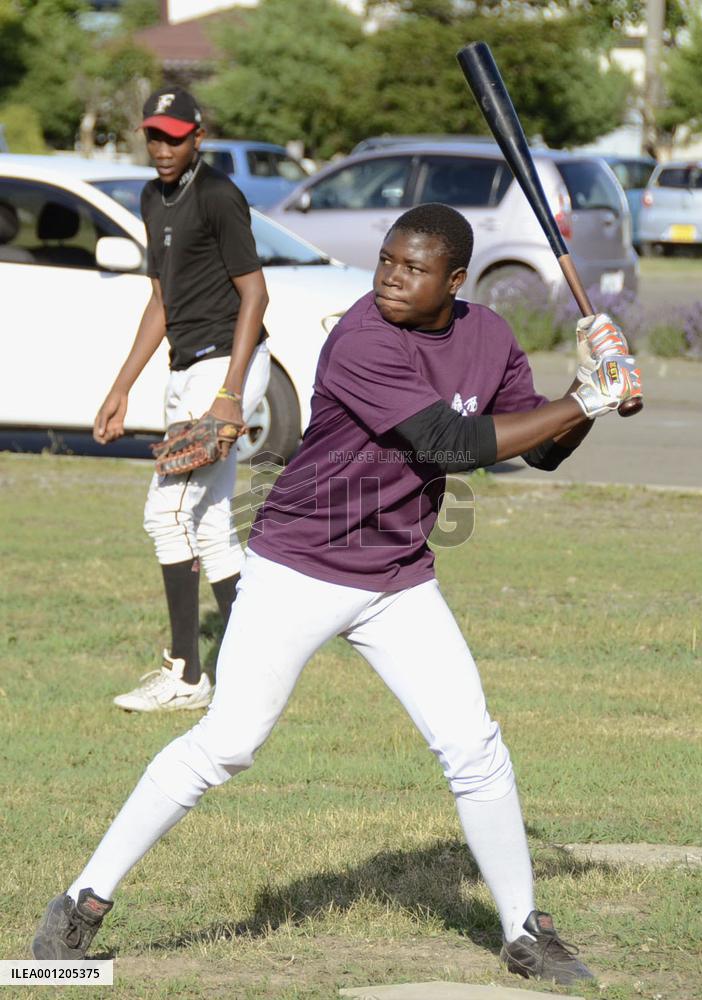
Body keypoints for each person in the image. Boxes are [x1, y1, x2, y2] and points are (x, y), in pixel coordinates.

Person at [32, 204, 641, 985]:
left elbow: (542, 448)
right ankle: (82, 899)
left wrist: (592, 388)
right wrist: (587, 399)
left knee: (474, 746)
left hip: (397, 577)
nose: (390, 276)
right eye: (387, 259)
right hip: (300, 567)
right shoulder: (362, 337)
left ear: (455, 281)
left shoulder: (488, 336)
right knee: (228, 744)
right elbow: (449, 444)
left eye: (413, 267)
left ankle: (525, 931)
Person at [93, 87, 271, 713]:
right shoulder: (152, 198)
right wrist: (121, 387)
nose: (162, 147)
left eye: (174, 136)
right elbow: (161, 302)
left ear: (198, 136)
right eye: (154, 135)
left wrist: (230, 394)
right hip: (186, 368)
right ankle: (257, 666)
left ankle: (187, 676)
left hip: (225, 368)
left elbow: (256, 295)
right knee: (211, 522)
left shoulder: (218, 195)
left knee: (166, 514)